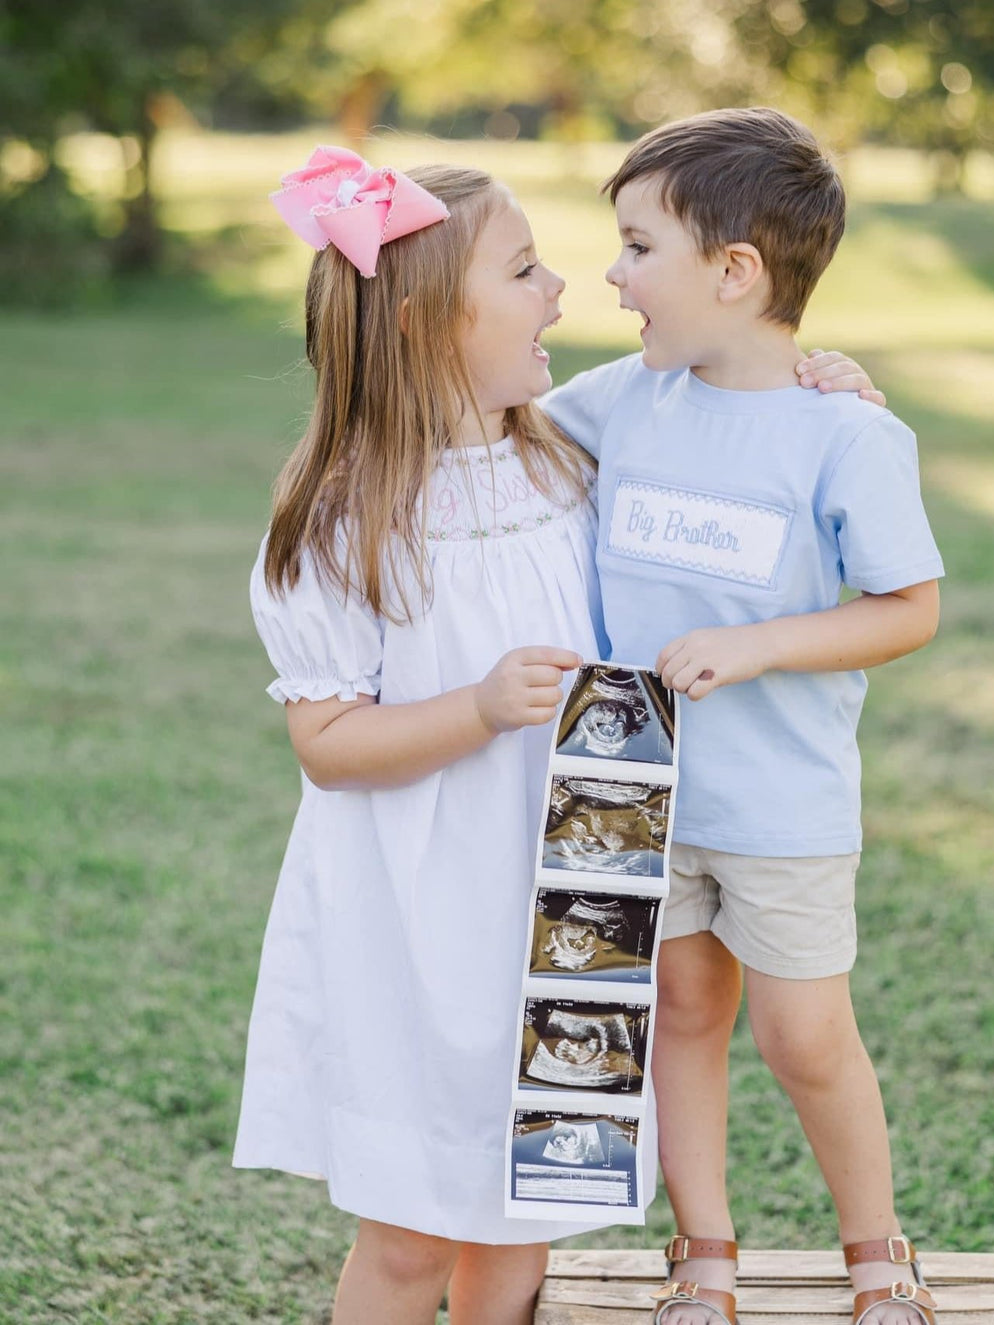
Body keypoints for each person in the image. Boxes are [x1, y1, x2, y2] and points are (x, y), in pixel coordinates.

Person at [233, 145, 882, 1325]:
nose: (566, 290)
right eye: (527, 269)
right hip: (428, 915)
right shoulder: (342, 521)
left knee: (530, 1218)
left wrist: (816, 383)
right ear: (431, 319)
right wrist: (475, 707)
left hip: (580, 899)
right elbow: (327, 743)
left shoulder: (566, 450)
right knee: (414, 1232)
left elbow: (728, 417)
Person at [543, 108, 944, 1325]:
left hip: (779, 802)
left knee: (805, 1036)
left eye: (636, 247)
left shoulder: (848, 432)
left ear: (734, 271)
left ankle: (877, 1252)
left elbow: (909, 606)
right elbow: (498, 451)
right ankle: (702, 1252)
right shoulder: (625, 399)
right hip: (623, 797)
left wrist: (758, 645)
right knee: (675, 1019)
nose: (612, 278)